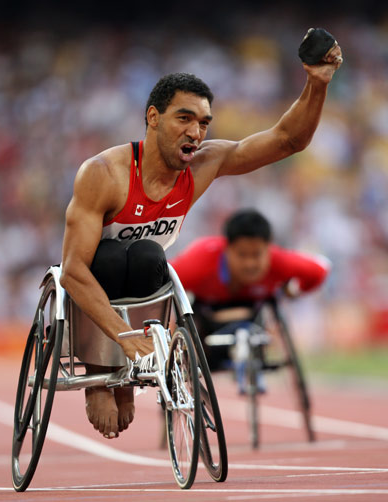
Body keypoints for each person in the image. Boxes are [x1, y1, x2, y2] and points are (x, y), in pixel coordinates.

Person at [59, 39, 343, 440]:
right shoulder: (104, 173)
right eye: (184, 118)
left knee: (144, 254)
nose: (196, 131)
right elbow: (72, 270)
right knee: (108, 256)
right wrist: (122, 339)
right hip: (92, 278)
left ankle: (125, 373)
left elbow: (287, 141)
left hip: (142, 279)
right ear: (153, 117)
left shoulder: (205, 164)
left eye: (204, 123)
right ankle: (103, 375)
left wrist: (317, 83)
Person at [170, 209, 331, 390]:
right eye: (242, 255)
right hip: (206, 311)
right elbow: (164, 282)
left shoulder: (279, 261)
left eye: (256, 255)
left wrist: (293, 291)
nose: (250, 264)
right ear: (227, 249)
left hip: (253, 311)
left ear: (268, 250)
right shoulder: (200, 261)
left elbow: (320, 269)